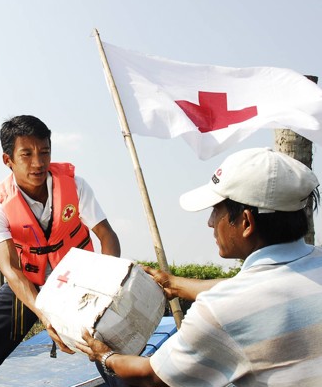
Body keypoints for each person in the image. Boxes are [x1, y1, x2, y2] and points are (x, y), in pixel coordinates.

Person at [77, 147, 322, 387]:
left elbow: (152, 377)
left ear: (246, 222)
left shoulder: (222, 309)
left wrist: (105, 356)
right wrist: (173, 283)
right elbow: (251, 289)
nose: (210, 222)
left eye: (217, 210)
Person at [0, 115, 121, 387]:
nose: (38, 162)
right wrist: (46, 316)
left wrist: (104, 290)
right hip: (28, 282)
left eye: (44, 152)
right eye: (27, 154)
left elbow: (107, 236)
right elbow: (11, 270)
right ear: (7, 160)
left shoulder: (75, 186)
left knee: (111, 343)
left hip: (79, 282)